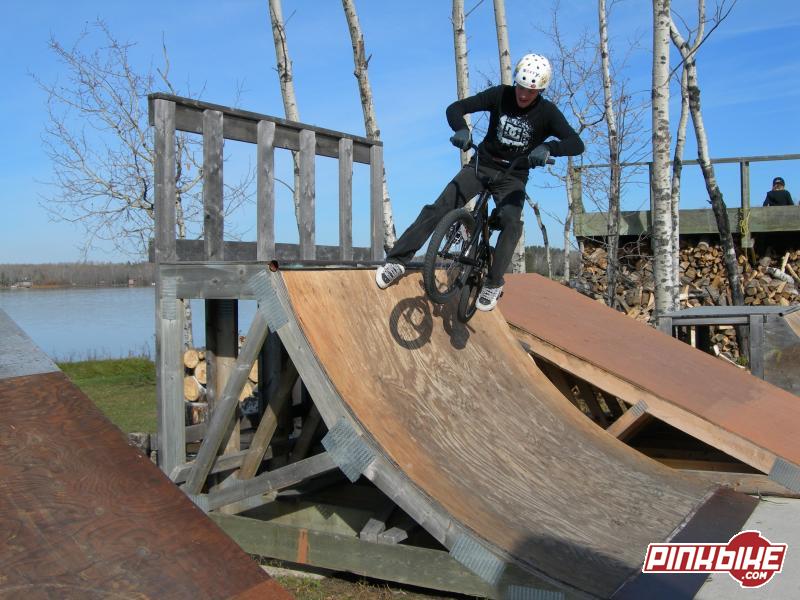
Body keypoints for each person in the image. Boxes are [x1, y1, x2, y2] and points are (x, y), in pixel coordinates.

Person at [375, 53, 584, 311]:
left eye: (530, 91)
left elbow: (577, 144)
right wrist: (461, 128)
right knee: (439, 207)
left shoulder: (548, 112)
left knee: (510, 222)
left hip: (513, 176)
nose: (522, 95)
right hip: (481, 165)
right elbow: (455, 108)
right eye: (520, 87)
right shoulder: (501, 94)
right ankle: (397, 260)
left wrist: (549, 147)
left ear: (539, 89)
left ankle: (494, 282)